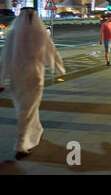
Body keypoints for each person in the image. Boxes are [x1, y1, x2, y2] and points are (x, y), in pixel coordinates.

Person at [0, 8, 65, 159]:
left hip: (17, 79)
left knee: (25, 109)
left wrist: (1, 80)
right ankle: (21, 145)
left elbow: (5, 58)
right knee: (28, 109)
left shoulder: (12, 34)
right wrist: (59, 69)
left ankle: (34, 133)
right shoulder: (40, 33)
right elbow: (52, 53)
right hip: (35, 77)